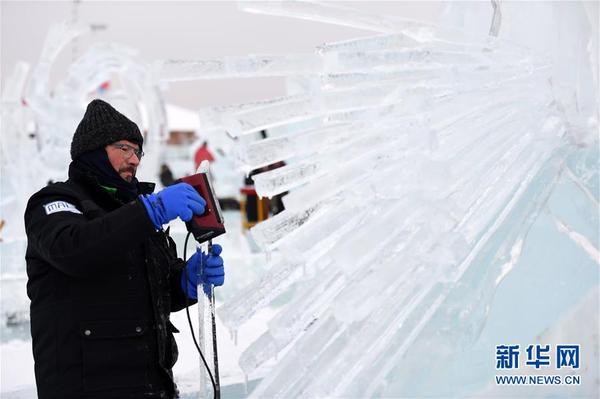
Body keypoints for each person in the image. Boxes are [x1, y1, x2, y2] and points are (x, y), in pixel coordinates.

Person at [24, 99, 225, 399]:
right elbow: (75, 250)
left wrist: (185, 282)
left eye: (138, 151)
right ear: (93, 150)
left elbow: (143, 291)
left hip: (151, 388)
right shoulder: (55, 202)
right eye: (124, 148)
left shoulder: (136, 213)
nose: (134, 159)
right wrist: (150, 211)